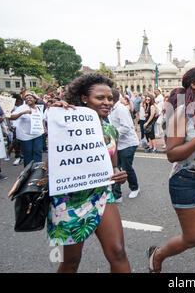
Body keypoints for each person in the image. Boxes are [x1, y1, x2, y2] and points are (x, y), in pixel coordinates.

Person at [48, 73, 130, 273]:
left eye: (110, 98)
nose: (107, 102)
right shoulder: (64, 124)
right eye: (100, 98)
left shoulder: (111, 130)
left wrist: (119, 174)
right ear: (84, 98)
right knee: (71, 261)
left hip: (101, 195)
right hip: (69, 199)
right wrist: (55, 114)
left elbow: (111, 167)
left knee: (118, 252)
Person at [147, 67, 195, 273]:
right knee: (192, 238)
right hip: (186, 180)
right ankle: (158, 255)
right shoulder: (181, 113)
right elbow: (172, 154)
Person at [108, 89, 141, 202]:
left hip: (128, 144)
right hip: (118, 144)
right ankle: (117, 195)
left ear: (113, 98)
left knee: (126, 168)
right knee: (115, 168)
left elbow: (126, 127)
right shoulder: (111, 110)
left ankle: (135, 188)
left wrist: (111, 134)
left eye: (108, 98)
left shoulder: (120, 110)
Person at [8, 93, 46, 167]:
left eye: (30, 98)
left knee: (38, 151)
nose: (28, 99)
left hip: (37, 134)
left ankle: (37, 170)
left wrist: (44, 128)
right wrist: (22, 113)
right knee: (28, 153)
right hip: (25, 135)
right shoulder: (22, 108)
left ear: (35, 99)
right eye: (27, 98)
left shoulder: (38, 108)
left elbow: (42, 119)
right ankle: (28, 171)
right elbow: (11, 117)